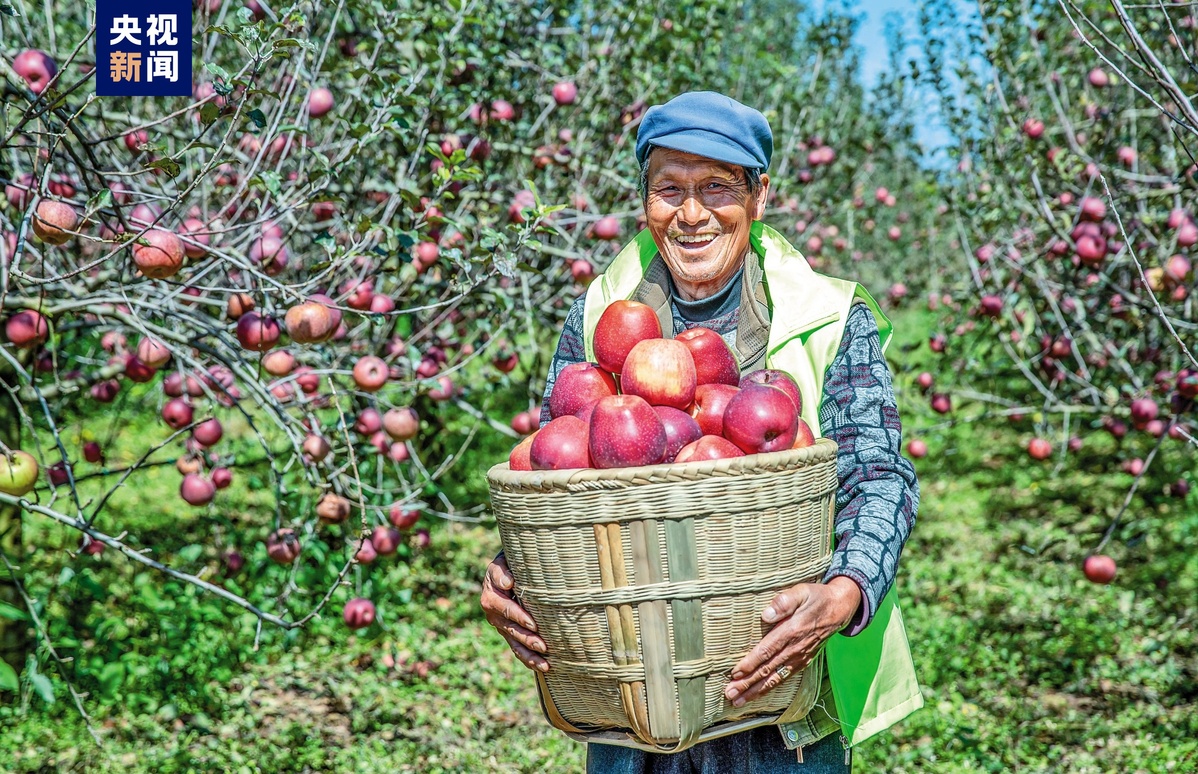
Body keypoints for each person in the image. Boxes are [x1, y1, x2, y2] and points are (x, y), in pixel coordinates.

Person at [480, 91, 922, 773]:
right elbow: (556, 472)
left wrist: (844, 593)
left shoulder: (829, 313)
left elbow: (880, 476)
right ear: (645, 200)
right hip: (636, 697)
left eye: (716, 186)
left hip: (780, 697)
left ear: (760, 194)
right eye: (669, 189)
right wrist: (515, 571)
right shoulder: (602, 309)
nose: (691, 213)